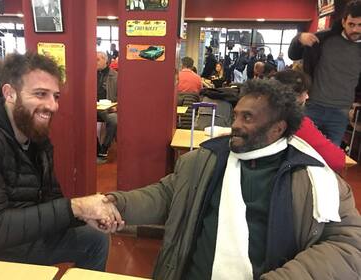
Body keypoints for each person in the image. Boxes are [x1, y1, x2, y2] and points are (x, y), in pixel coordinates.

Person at [102, 79, 361, 279]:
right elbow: (165, 195)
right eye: (236, 114)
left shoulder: (314, 180)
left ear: (278, 128)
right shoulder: (207, 159)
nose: (234, 124)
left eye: (247, 118)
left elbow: (348, 246)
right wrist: (114, 203)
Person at [0, 52, 122, 269]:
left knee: (95, 237)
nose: (53, 105)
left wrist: (83, 216)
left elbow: (50, 200)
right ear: (9, 93)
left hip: (9, 237)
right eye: (40, 94)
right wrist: (77, 207)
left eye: (55, 96)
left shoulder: (34, 134)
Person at [288, 0, 361, 146]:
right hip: (314, 106)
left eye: (360, 25)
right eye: (351, 24)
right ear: (343, 21)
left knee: (329, 160)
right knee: (300, 149)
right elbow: (293, 54)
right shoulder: (323, 39)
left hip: (341, 113)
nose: (355, 29)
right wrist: (299, 39)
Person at [274, 69, 346, 172]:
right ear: (295, 96)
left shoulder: (259, 117)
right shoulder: (298, 123)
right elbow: (337, 161)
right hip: (285, 181)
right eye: (305, 93)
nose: (307, 97)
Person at [97, 51, 118, 160]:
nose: (94, 62)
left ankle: (104, 147)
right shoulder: (89, 74)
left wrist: (116, 107)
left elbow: (122, 95)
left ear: (105, 60)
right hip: (91, 108)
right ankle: (96, 146)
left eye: (97, 59)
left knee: (114, 120)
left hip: (108, 109)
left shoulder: (115, 76)